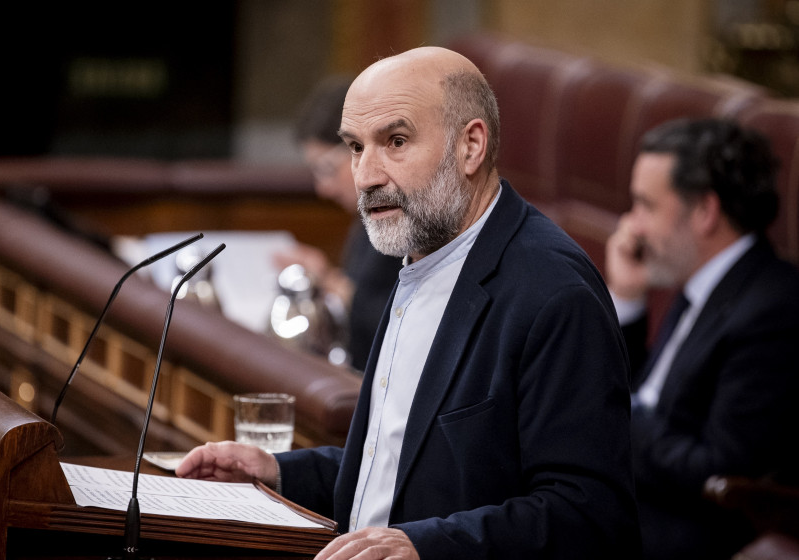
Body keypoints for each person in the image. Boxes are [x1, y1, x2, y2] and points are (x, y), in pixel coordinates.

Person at [177, 46, 640, 559]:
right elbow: (406, 465)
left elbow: (589, 517)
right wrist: (282, 472)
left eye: (395, 142)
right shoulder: (423, 253)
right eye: (356, 147)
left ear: (470, 146)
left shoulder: (554, 293)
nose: (365, 176)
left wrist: (425, 547)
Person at [605, 118, 799, 559]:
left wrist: (612, 413)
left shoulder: (773, 310)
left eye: (645, 206)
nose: (632, 226)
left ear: (705, 212)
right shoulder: (701, 278)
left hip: (674, 531)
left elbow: (719, 470)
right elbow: (651, 393)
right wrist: (628, 298)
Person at [274, 75, 401, 372]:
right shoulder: (367, 217)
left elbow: (397, 324)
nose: (323, 189)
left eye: (328, 169)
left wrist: (329, 282)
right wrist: (326, 277)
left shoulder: (408, 217)